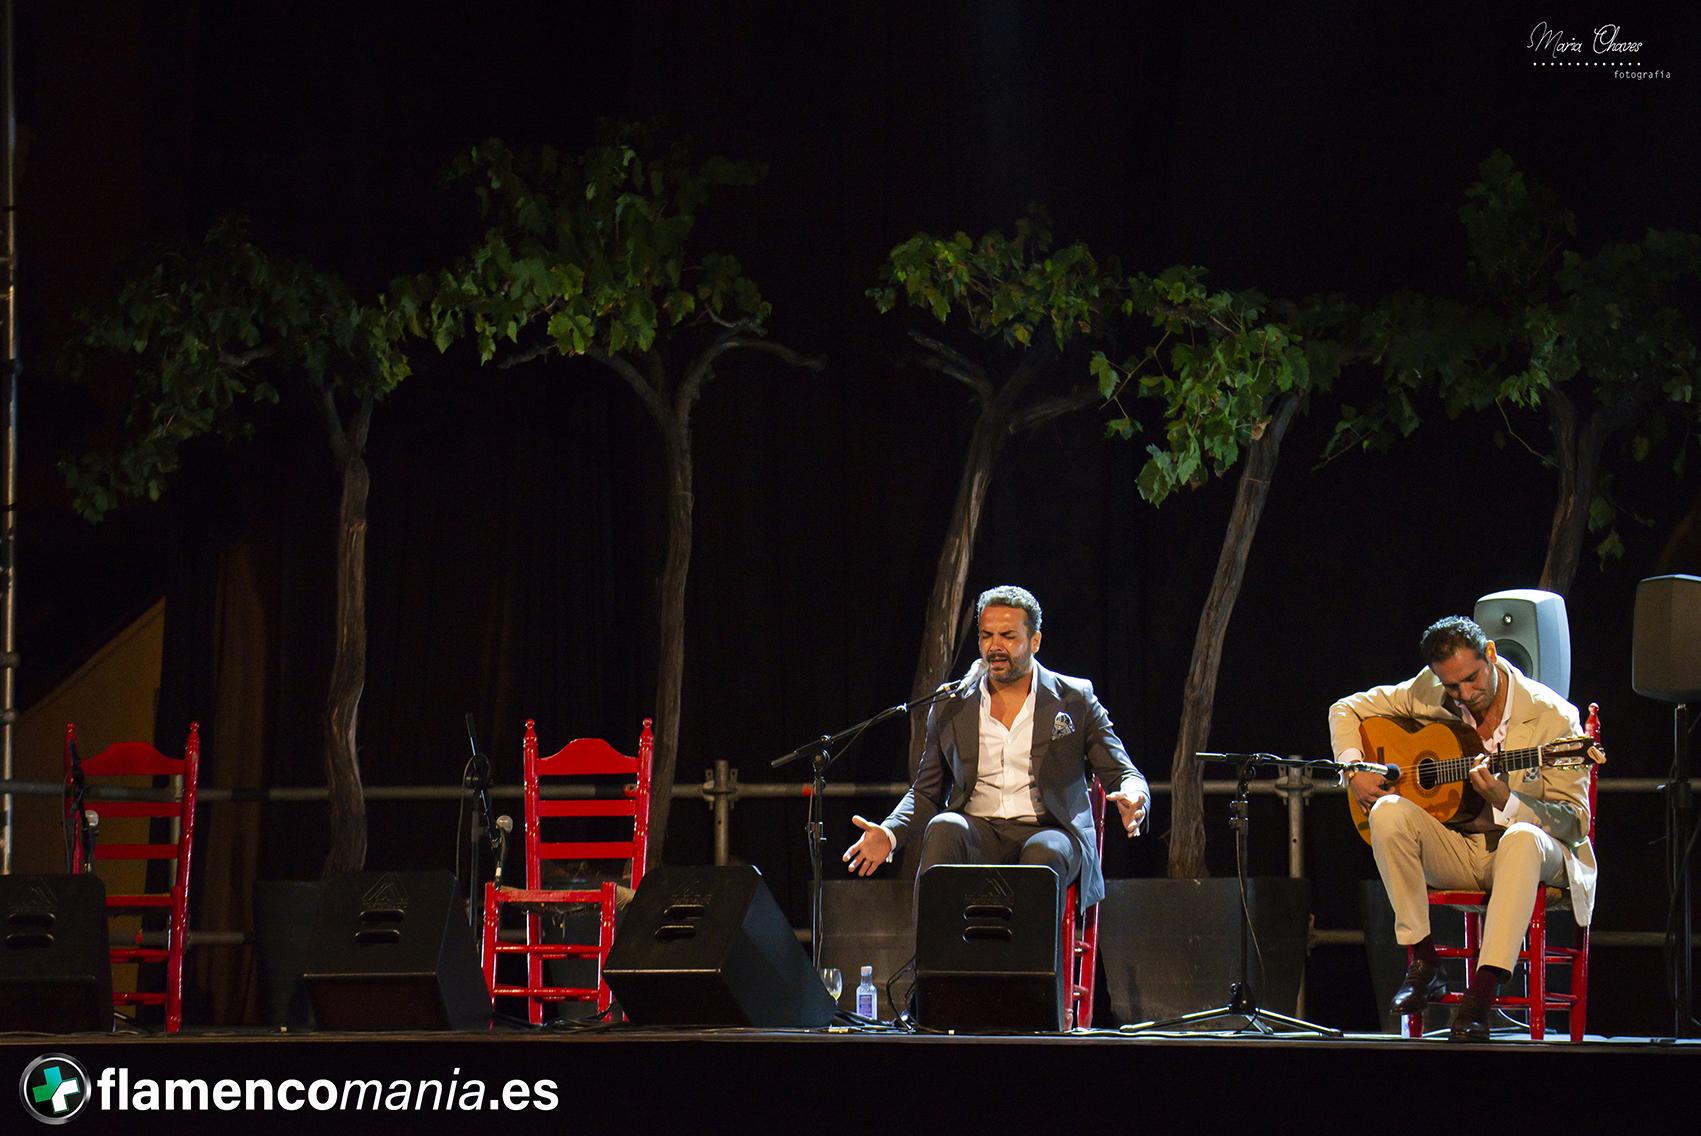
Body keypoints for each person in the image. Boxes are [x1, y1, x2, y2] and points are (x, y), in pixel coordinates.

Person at [1329, 615, 1597, 1041]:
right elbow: (1345, 708)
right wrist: (1354, 766)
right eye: (1452, 686)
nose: (1465, 694)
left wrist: (1505, 801)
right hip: (1460, 846)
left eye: (1472, 679)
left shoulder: (1552, 716)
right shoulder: (1432, 690)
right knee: (1387, 812)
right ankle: (1424, 960)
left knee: (1521, 838)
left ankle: (1482, 992)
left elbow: (1575, 820)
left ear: (1490, 655)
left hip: (1532, 855)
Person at [842, 585, 1149, 919]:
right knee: (945, 827)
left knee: (1042, 853)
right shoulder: (951, 703)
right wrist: (889, 833)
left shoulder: (1074, 699)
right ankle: (934, 968)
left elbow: (1123, 772)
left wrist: (1135, 796)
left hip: (1049, 831)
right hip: (979, 831)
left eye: (1008, 636)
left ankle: (1032, 972)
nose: (995, 647)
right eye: (987, 636)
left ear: (1035, 642)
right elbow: (926, 791)